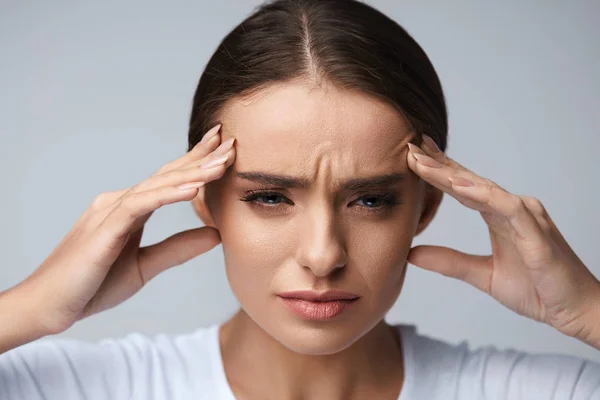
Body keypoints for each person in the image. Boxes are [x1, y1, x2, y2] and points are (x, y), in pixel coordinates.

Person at [1, 0, 599, 398]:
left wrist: (588, 313)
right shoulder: (73, 388)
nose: (321, 256)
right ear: (204, 200)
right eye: (268, 196)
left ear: (427, 205)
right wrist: (32, 308)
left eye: (369, 201)